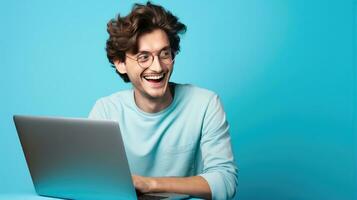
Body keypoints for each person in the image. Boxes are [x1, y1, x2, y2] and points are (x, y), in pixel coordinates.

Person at [89, 2, 238, 199]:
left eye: (164, 54)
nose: (158, 67)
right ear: (121, 64)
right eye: (144, 57)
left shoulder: (205, 104)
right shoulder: (106, 110)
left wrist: (149, 184)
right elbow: (91, 181)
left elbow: (225, 181)